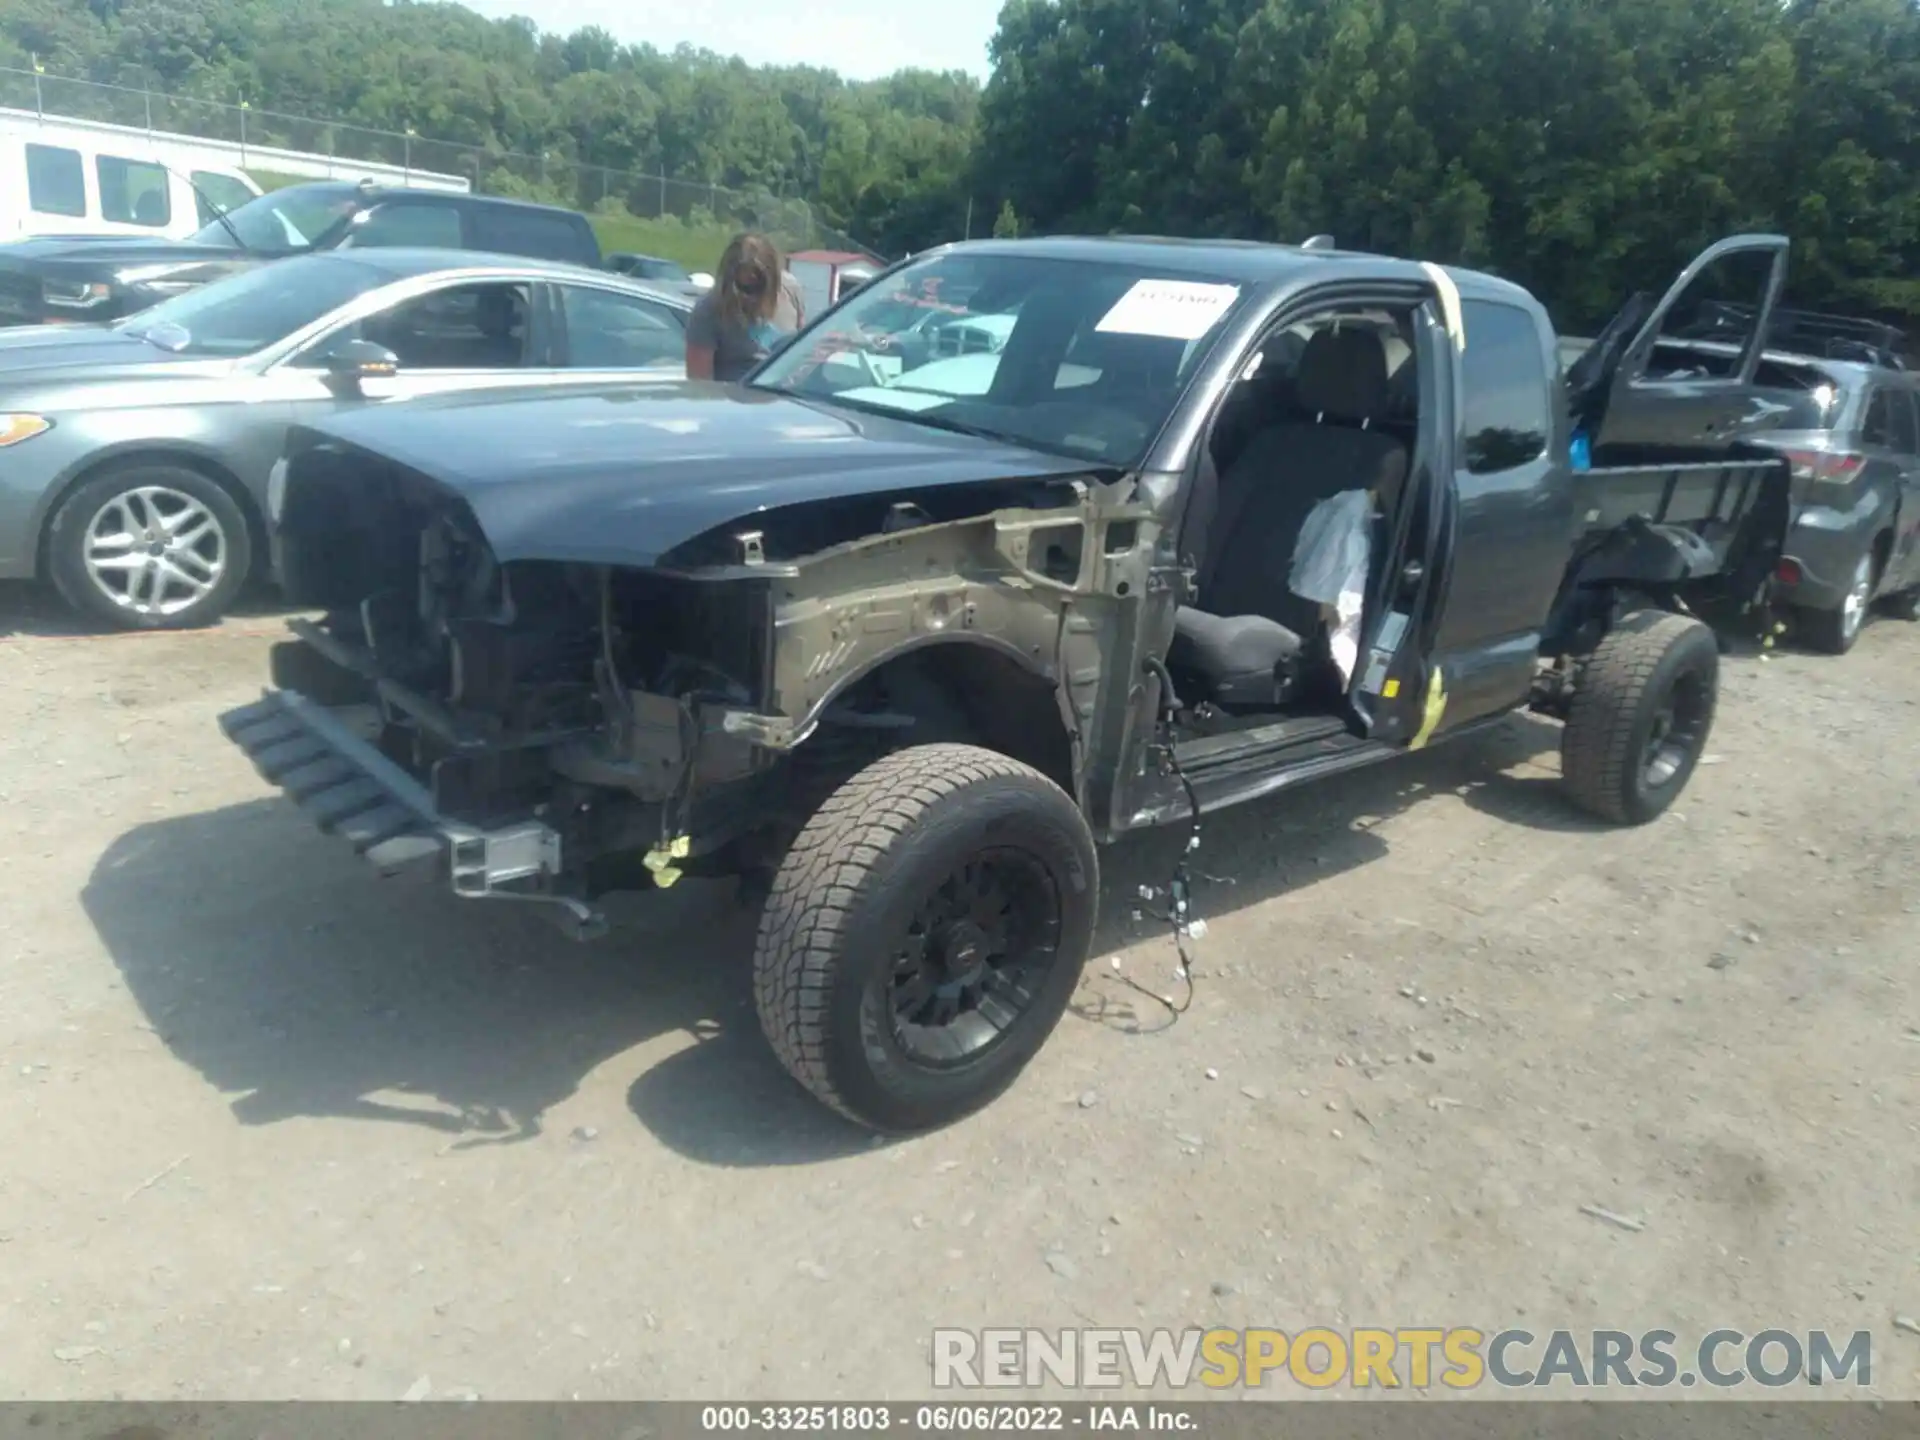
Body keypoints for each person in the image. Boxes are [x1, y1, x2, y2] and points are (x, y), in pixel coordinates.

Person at [684, 232, 805, 381]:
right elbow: (700, 385)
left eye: (757, 288)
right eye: (744, 288)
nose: (750, 297)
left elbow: (802, 353)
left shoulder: (790, 290)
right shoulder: (708, 311)